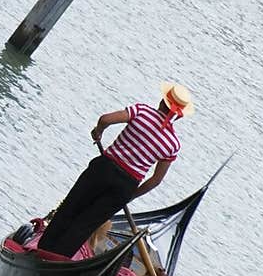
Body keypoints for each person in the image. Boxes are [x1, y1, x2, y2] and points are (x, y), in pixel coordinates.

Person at [38, 82, 194, 259]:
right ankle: (56, 259)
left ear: (161, 101)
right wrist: (132, 194)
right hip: (126, 185)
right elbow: (156, 180)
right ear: (179, 116)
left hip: (104, 168)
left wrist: (98, 132)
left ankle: (42, 250)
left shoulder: (142, 111)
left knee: (71, 207)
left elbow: (105, 119)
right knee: (86, 224)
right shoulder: (173, 144)